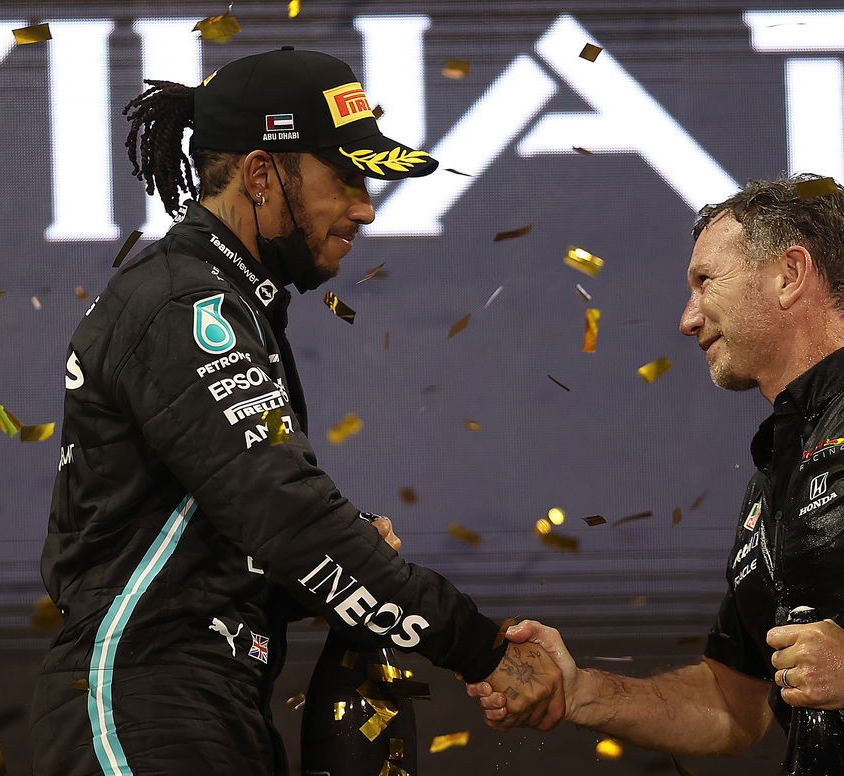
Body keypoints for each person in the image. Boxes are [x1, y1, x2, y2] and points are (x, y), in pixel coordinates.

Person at [29, 47, 561, 776]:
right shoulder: (187, 305)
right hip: (141, 704)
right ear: (260, 175)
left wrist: (342, 555)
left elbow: (224, 542)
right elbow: (287, 517)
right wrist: (482, 649)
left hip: (205, 707)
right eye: (346, 177)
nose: (365, 207)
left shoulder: (220, 300)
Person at [470, 175, 844, 775]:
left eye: (705, 282)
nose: (688, 319)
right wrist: (581, 691)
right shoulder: (773, 480)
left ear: (790, 275)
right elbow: (732, 705)